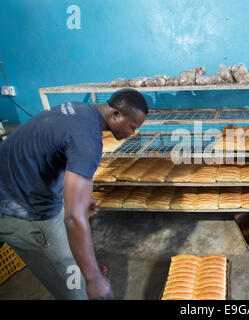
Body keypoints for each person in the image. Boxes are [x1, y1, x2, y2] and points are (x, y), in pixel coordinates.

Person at [0, 88, 148, 299]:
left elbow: (56, 151)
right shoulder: (88, 141)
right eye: (133, 127)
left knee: (74, 249)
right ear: (116, 115)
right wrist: (94, 278)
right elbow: (73, 218)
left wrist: (83, 195)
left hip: (17, 187)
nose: (132, 133)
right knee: (76, 287)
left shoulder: (81, 110)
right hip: (22, 210)